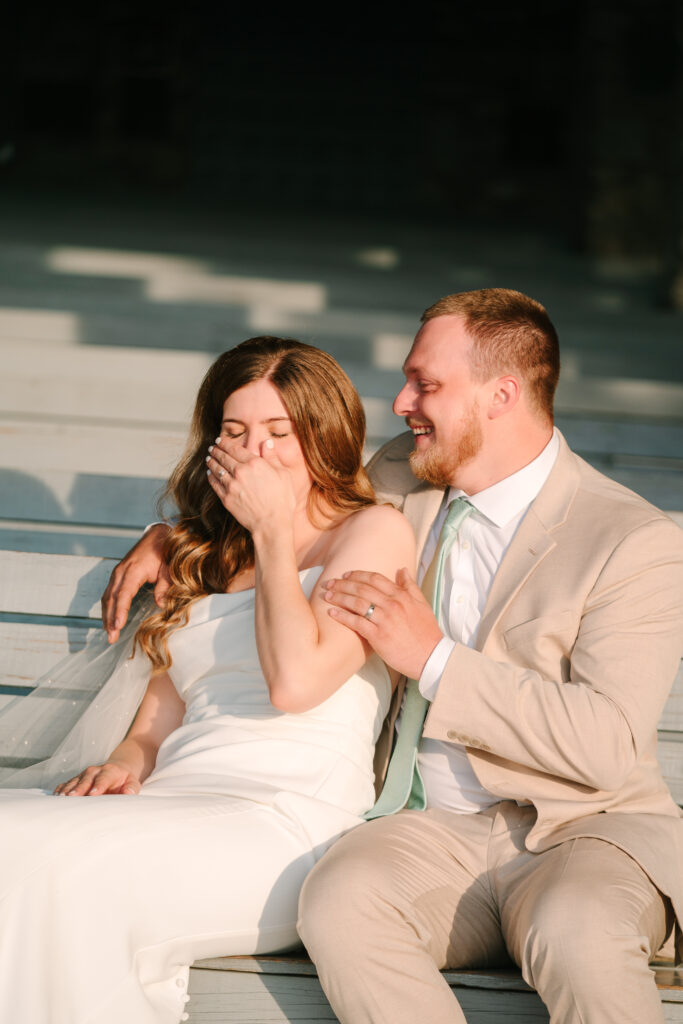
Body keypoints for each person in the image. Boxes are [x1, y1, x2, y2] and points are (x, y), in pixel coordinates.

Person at [102, 291, 683, 1024]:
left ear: (501, 394)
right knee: (341, 901)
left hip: (579, 830)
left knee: (575, 933)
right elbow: (287, 513)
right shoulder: (399, 475)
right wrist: (174, 539)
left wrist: (433, 658)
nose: (402, 400)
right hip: (424, 833)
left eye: (426, 384)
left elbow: (604, 745)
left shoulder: (630, 539)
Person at [0, 336, 415, 1024]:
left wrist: (273, 534)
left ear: (323, 436)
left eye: (280, 432)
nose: (255, 453)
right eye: (234, 431)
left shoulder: (372, 533)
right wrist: (123, 765)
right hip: (173, 800)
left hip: (286, 825)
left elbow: (296, 683)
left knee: (47, 863)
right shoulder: (207, 555)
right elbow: (154, 728)